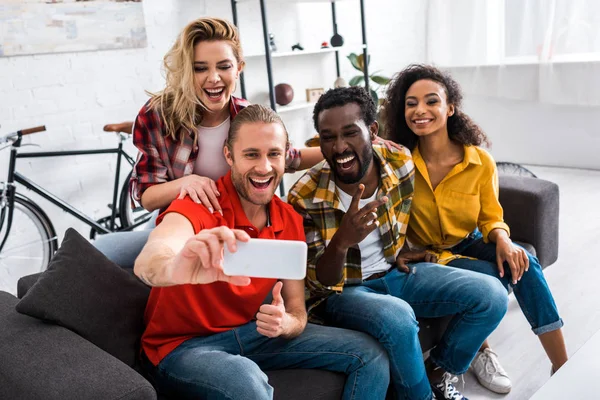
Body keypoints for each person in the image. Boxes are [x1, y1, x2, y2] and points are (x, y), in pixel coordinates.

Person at [134, 104, 391, 399]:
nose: (264, 167)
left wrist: (286, 323)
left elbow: (297, 312)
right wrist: (171, 268)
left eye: (273, 154)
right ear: (229, 156)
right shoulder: (200, 204)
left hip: (253, 334)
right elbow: (152, 255)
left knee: (370, 354)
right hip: (182, 346)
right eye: (251, 154)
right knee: (246, 381)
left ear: (285, 157)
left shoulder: (289, 220)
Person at [94, 17, 395, 267]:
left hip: (235, 225)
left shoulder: (247, 115)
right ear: (187, 70)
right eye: (200, 68)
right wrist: (188, 183)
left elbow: (288, 158)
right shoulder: (158, 115)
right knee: (101, 254)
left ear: (238, 67)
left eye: (223, 66)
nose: (213, 78)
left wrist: (347, 146)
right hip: (184, 222)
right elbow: (146, 196)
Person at [288, 86, 508, 400]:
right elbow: (320, 284)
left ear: (372, 131)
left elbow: (403, 214)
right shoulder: (304, 196)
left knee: (492, 295)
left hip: (395, 274)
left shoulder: (400, 162)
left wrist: (403, 248)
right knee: (398, 318)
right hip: (344, 293)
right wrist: (341, 242)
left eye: (350, 133)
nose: (339, 147)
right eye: (327, 136)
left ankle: (437, 373)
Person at [383, 64, 567, 394]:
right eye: (411, 103)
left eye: (431, 101)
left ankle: (562, 366)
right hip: (430, 257)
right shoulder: (398, 161)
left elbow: (490, 217)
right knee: (493, 280)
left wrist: (504, 240)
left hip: (469, 242)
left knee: (523, 262)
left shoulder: (479, 160)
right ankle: (461, 357)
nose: (420, 110)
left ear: (450, 107)